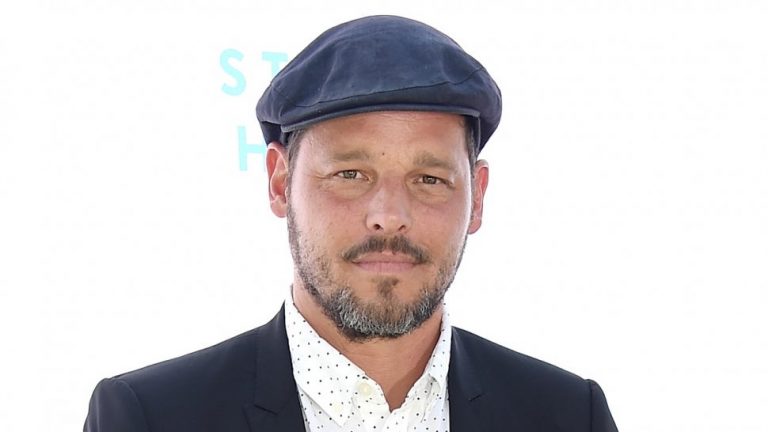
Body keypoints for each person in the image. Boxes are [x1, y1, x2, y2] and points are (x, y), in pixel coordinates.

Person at [84, 15, 618, 432]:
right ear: (280, 182)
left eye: (429, 179)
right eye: (351, 174)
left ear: (477, 197)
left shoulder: (569, 416)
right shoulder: (152, 417)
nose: (389, 217)